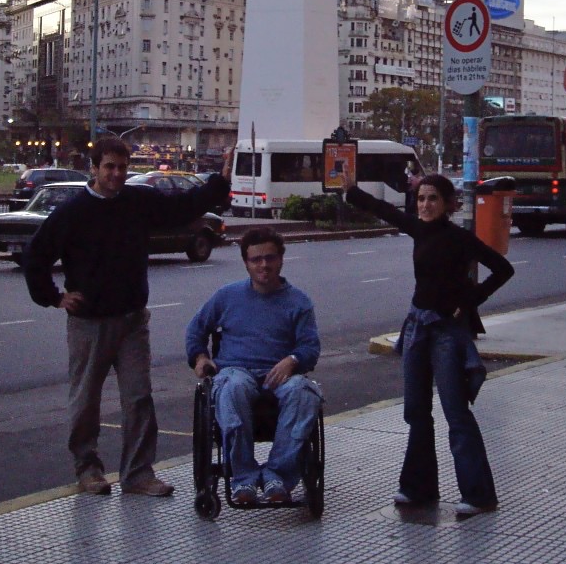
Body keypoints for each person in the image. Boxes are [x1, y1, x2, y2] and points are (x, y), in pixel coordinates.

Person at [24, 136, 233, 497]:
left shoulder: (138, 201)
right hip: (89, 323)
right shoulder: (74, 211)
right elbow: (36, 255)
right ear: (94, 168)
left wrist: (219, 183)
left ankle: (138, 473)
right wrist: (54, 298)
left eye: (122, 167)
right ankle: (88, 469)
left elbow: (181, 208)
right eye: (109, 167)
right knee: (86, 400)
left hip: (133, 320)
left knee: (138, 398)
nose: (117, 174)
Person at [343, 169, 514, 516]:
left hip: (446, 333)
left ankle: (479, 495)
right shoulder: (419, 230)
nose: (425, 205)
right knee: (416, 411)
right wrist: (352, 191)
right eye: (420, 198)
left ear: (448, 203)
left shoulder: (459, 238)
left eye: (432, 198)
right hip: (416, 327)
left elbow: (502, 269)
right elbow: (386, 211)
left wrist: (469, 301)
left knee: (455, 412)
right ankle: (418, 488)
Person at [185, 226, 321, 506]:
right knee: (232, 388)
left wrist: (292, 360)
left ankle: (277, 477)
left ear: (281, 259)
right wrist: (200, 357)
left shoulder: (299, 302)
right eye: (256, 259)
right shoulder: (227, 296)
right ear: (246, 263)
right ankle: (243, 478)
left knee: (305, 393)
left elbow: (310, 347)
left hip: (280, 374)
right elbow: (196, 330)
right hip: (237, 370)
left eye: (270, 258)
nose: (264, 265)